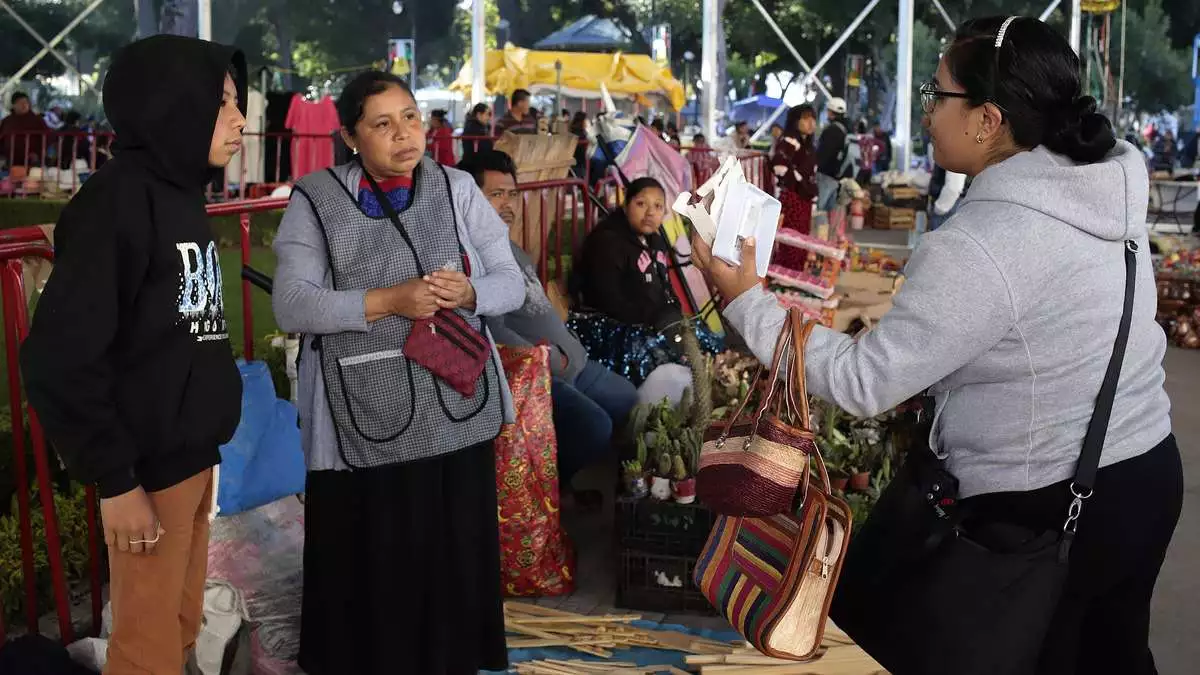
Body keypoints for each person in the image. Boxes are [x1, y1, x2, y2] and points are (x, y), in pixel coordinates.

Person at [693, 16, 1180, 674]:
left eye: (937, 93)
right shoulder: (1102, 185)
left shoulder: (986, 242)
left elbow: (867, 382)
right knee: (1111, 654)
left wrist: (746, 299)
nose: (926, 113)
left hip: (1049, 501)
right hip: (1144, 471)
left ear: (988, 119)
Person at [272, 70, 523, 675]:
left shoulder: (459, 188)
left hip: (452, 404)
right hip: (357, 410)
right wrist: (388, 301)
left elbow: (510, 281)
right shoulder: (315, 197)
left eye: (410, 116)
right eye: (381, 124)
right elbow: (292, 303)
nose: (404, 134)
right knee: (373, 552)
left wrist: (470, 291)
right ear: (350, 137)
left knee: (449, 546)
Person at [21, 36, 247, 675]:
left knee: (178, 624)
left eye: (234, 102)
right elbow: (59, 358)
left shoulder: (182, 195)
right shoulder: (115, 202)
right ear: (170, 108)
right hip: (144, 473)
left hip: (193, 458)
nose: (239, 120)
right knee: (145, 644)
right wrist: (116, 481)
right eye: (220, 104)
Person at [462, 150, 639, 507]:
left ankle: (596, 485)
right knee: (595, 427)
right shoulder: (469, 256)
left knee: (630, 400)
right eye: (496, 194)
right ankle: (552, 495)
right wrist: (540, 358)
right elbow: (487, 324)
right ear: (468, 197)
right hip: (539, 374)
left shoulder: (507, 246)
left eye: (512, 194)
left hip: (573, 361)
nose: (508, 203)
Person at [577, 177, 681, 329]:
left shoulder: (656, 242)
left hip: (656, 324)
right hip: (614, 330)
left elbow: (665, 286)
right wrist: (656, 319)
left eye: (658, 206)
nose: (650, 212)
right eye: (641, 204)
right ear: (625, 206)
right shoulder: (606, 243)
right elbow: (608, 302)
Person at [772, 104, 820, 256]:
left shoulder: (808, 145)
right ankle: (785, 275)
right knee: (791, 238)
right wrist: (796, 185)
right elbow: (779, 166)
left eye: (813, 118)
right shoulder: (789, 141)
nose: (811, 123)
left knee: (801, 238)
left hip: (804, 197)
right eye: (805, 118)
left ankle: (794, 274)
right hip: (793, 198)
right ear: (795, 121)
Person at [815, 96, 850, 211]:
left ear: (831, 112)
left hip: (825, 174)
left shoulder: (831, 131)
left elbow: (824, 153)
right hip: (837, 176)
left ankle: (819, 229)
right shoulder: (845, 130)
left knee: (819, 210)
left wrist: (816, 166)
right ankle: (828, 229)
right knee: (831, 211)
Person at [0, 91, 49, 169]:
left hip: (32, 161)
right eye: (20, 102)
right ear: (14, 105)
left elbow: (48, 137)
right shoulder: (7, 121)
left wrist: (38, 153)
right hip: (11, 161)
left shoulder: (37, 120)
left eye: (26, 102)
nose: (24, 105)